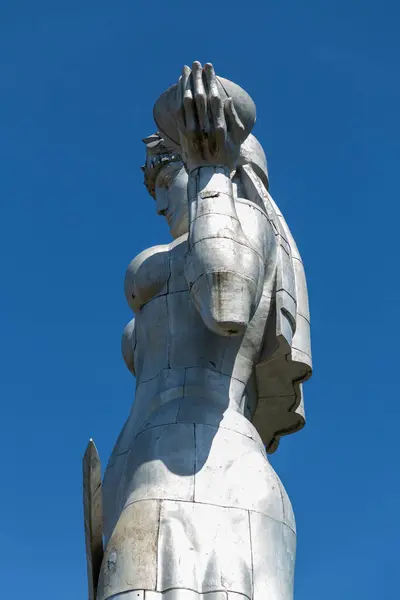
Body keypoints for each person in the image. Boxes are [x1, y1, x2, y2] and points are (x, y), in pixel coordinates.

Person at [97, 62, 312, 600]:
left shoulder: (245, 226)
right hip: (150, 477)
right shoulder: (173, 251)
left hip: (209, 477)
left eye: (164, 180)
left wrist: (212, 173)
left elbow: (226, 300)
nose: (161, 202)